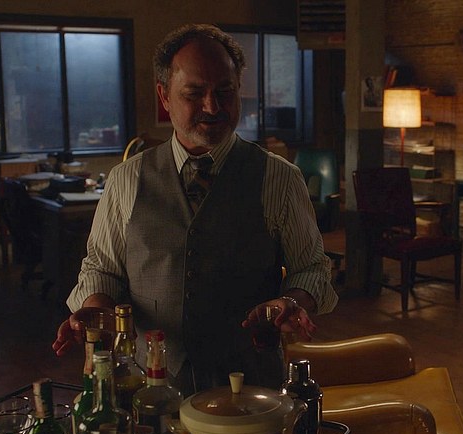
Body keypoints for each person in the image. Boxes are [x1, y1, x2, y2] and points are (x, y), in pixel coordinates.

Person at [52, 24, 338, 395]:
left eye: (225, 92)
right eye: (194, 93)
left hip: (248, 385)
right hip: (150, 383)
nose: (212, 107)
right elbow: (102, 268)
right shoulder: (126, 179)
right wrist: (96, 308)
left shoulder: (279, 178)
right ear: (164, 96)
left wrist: (291, 301)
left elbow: (311, 268)